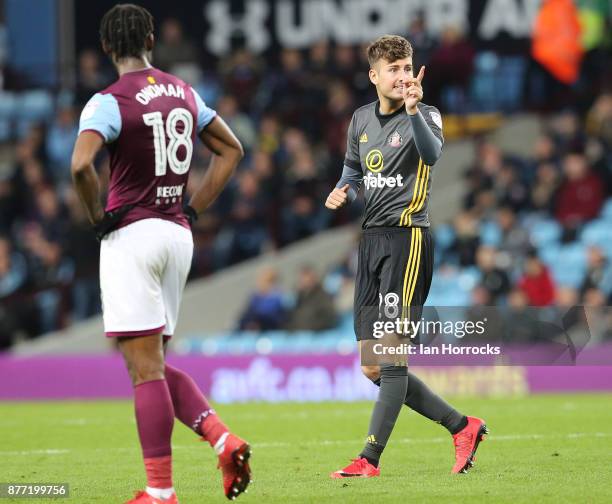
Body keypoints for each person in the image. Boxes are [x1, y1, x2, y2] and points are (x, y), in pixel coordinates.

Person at [70, 5, 250, 503]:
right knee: (149, 361)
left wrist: (95, 216)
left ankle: (160, 492)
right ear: (151, 39)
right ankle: (221, 439)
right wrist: (193, 209)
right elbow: (231, 149)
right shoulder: (184, 91)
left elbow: (82, 165)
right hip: (176, 235)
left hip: (133, 235)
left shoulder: (108, 101)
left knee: (144, 369)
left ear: (107, 48)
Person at [324, 35, 488, 478]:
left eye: (407, 68)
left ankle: (369, 458)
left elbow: (432, 153)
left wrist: (414, 110)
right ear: (374, 76)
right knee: (372, 364)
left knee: (392, 356)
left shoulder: (427, 114)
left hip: (408, 240)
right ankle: (462, 425)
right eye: (392, 70)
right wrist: (343, 190)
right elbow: (354, 169)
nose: (402, 77)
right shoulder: (360, 118)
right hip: (371, 241)